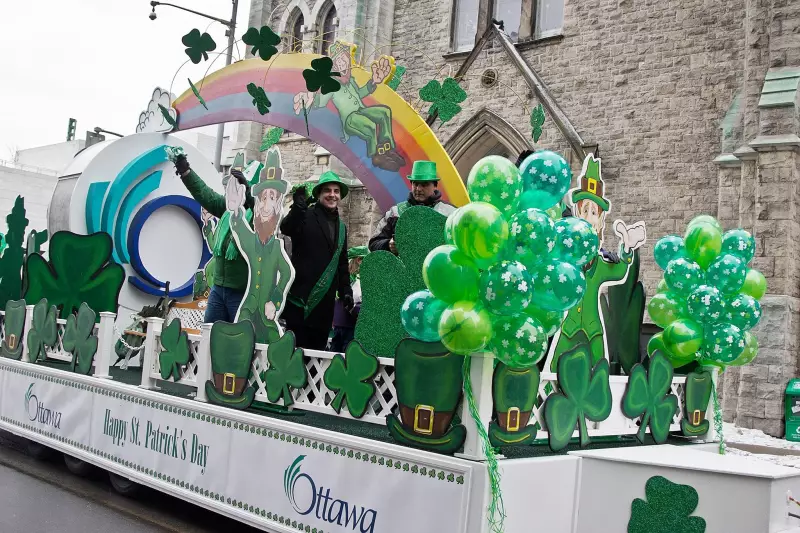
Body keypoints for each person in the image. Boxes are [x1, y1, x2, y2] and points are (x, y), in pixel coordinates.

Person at [293, 41, 404, 172]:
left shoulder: (350, 81)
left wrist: (373, 81)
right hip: (350, 119)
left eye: (344, 59)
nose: (341, 63)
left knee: (384, 112)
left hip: (361, 111)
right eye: (338, 61)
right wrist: (310, 96)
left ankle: (387, 148)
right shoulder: (331, 84)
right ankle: (375, 156)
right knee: (370, 126)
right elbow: (321, 101)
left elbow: (360, 93)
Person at [280, 171, 354, 350]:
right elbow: (286, 227)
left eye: (336, 191)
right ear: (319, 194)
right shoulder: (306, 215)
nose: (332, 194)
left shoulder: (342, 228)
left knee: (317, 359)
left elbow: (342, 264)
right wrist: (297, 208)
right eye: (327, 190)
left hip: (324, 306)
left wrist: (346, 291)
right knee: (294, 357)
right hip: (301, 302)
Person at [174, 153, 251, 324]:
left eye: (238, 187)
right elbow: (204, 193)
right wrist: (186, 172)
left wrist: (251, 199)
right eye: (231, 187)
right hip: (218, 289)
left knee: (236, 340)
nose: (232, 191)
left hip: (241, 292)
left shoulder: (256, 217)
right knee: (209, 336)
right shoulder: (226, 210)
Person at [368, 160, 456, 253]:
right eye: (415, 183)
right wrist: (388, 244)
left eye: (424, 184)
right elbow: (374, 243)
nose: (418, 189)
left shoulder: (450, 213)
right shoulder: (395, 213)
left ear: (435, 186)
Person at [330, 246, 367, 352]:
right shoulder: (353, 281)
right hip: (346, 326)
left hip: (345, 326)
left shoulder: (343, 280)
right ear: (359, 260)